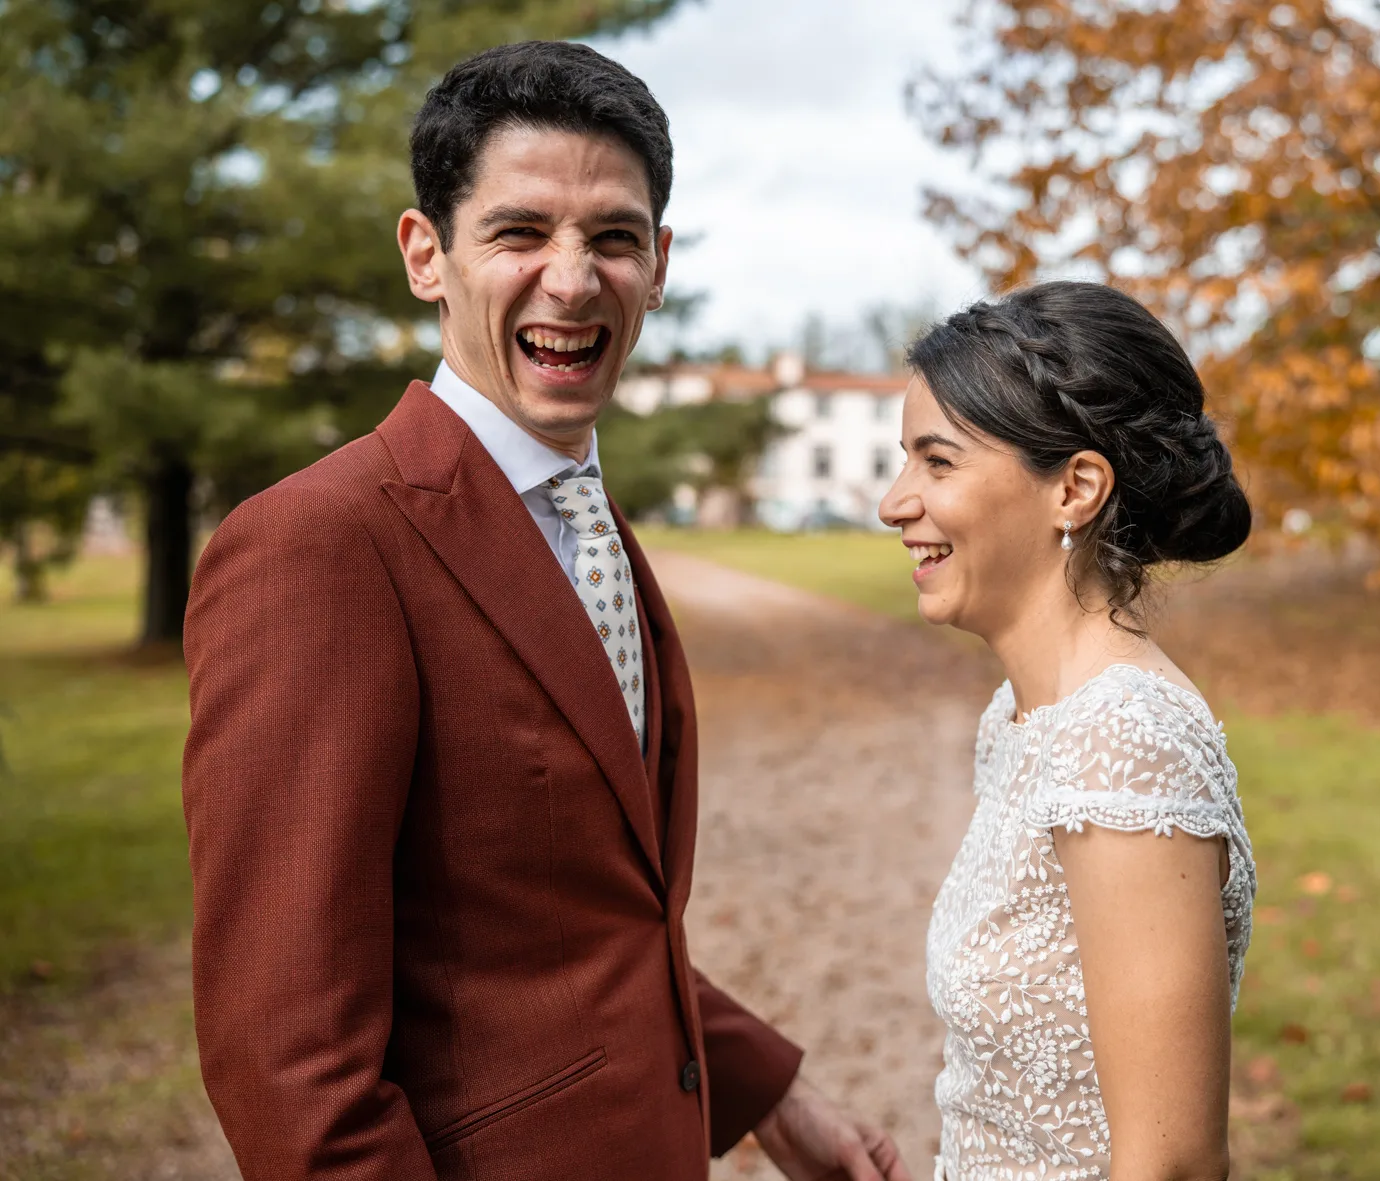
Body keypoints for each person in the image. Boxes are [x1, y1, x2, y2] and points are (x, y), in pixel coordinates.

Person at [182, 41, 910, 1181]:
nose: (571, 280)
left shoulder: (585, 514)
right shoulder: (318, 546)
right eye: (519, 232)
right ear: (427, 254)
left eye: (612, 238)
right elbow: (284, 1050)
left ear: (657, 265)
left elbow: (579, 909)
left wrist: (773, 1091)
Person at [878, 282, 1258, 1181]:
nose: (895, 503)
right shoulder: (1024, 718)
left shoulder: (1122, 745)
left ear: (1076, 489)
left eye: (937, 463)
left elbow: (1169, 1162)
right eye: (907, 462)